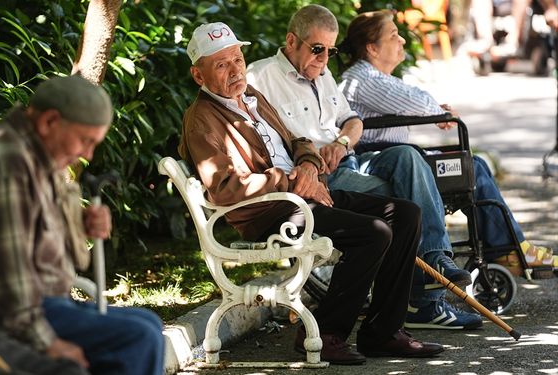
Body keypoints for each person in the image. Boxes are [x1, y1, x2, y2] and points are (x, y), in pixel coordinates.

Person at [180, 21, 444, 365]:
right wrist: (289, 180)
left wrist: (307, 166)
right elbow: (226, 189)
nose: (234, 70)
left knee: (405, 214)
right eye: (221, 64)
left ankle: (382, 332)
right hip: (269, 210)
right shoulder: (202, 120)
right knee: (373, 233)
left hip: (299, 195)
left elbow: (298, 141)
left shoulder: (250, 98)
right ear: (199, 76)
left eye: (237, 60)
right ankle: (326, 332)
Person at [246, 4, 482, 330]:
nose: (324, 59)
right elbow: (262, 140)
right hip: (320, 176)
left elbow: (352, 121)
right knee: (405, 203)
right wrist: (310, 158)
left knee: (407, 156)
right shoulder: (261, 77)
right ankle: (418, 304)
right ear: (291, 41)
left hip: (351, 159)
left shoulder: (323, 73)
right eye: (317, 49)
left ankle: (435, 258)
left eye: (330, 51)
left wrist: (342, 143)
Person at [0, 75, 165, 375]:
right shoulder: (8, 164)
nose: (88, 154)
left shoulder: (31, 153)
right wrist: (47, 343)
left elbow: (32, 229)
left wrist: (80, 224)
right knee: (139, 339)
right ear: (49, 122)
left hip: (44, 300)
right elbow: (5, 287)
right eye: (86, 140)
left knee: (148, 324)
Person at [338, 9, 556, 275]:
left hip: (394, 158)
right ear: (372, 48)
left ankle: (508, 248)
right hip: (384, 162)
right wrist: (437, 112)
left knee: (473, 164)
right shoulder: (362, 78)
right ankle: (508, 250)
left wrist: (434, 110)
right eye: (394, 35)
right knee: (470, 168)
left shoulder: (375, 79)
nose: (402, 41)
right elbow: (414, 100)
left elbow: (410, 100)